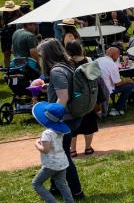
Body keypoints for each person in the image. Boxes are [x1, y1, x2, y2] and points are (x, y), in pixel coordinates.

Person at [37, 40, 84, 199]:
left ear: (48, 55)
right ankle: (56, 187)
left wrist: (49, 119)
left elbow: (63, 98)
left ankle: (76, 192)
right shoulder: (67, 65)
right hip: (72, 116)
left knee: (62, 156)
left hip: (64, 119)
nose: (40, 58)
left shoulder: (57, 71)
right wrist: (49, 87)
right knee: (57, 153)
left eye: (41, 55)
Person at [32, 101, 75, 203]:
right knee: (62, 184)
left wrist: (36, 144)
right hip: (62, 161)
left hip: (51, 164)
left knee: (36, 183)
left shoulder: (47, 133)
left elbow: (45, 150)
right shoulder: (59, 131)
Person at [95, 47, 134, 117]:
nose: (119, 56)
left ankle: (117, 107)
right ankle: (118, 107)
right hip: (107, 89)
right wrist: (129, 80)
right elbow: (117, 83)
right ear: (113, 55)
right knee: (129, 85)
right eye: (118, 54)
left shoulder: (97, 60)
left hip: (96, 87)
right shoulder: (112, 64)